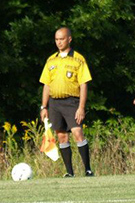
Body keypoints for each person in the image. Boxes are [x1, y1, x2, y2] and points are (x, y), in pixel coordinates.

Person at [39, 27, 94, 177]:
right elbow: (46, 84)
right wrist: (44, 106)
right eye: (56, 39)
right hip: (55, 103)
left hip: (71, 102)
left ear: (69, 39)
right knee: (61, 136)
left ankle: (88, 169)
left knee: (77, 132)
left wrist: (81, 107)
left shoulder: (78, 59)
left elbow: (83, 84)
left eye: (62, 39)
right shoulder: (51, 60)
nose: (59, 42)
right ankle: (69, 172)